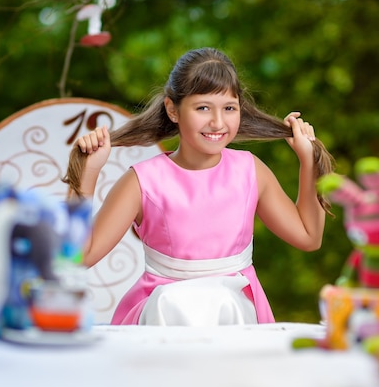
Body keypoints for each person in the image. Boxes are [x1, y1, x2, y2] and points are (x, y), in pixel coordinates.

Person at [62, 47, 335, 326]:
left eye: (229, 108)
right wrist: (88, 174)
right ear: (173, 110)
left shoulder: (250, 171)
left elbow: (308, 236)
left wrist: (308, 160)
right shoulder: (142, 181)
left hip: (235, 319)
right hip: (162, 319)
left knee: (226, 305)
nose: (217, 122)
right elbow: (78, 258)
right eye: (203, 108)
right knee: (172, 305)